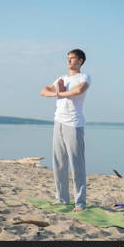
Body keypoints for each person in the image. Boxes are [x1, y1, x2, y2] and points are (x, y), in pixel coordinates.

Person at [40, 49, 91, 212]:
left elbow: (78, 91)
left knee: (77, 165)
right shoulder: (61, 78)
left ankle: (80, 202)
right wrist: (58, 92)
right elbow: (43, 91)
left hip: (74, 124)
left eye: (73, 58)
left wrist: (60, 93)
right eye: (68, 58)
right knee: (59, 164)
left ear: (80, 61)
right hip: (58, 122)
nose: (69, 61)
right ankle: (62, 198)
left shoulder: (84, 77)